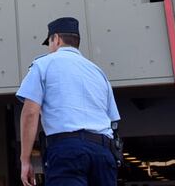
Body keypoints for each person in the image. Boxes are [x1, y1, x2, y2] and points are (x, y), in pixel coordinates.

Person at [17, 17, 120, 186]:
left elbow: (30, 112)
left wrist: (25, 159)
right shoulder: (98, 72)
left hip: (67, 150)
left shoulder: (43, 64)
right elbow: (113, 120)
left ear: (56, 39)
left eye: (49, 43)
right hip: (103, 152)